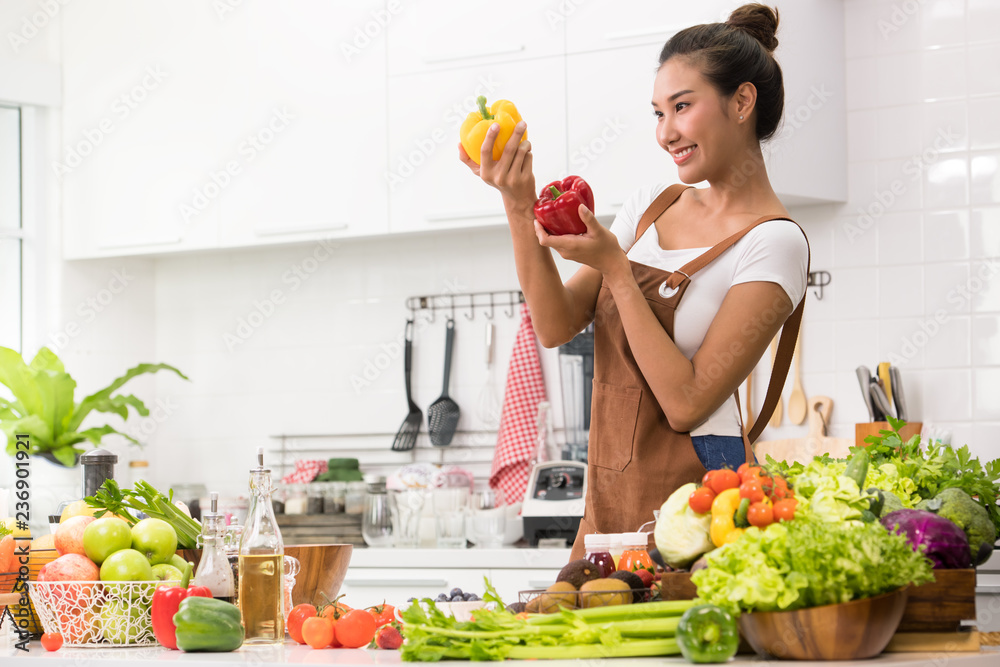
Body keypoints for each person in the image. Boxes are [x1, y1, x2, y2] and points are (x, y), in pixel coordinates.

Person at [460, 3, 809, 559]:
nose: (665, 133)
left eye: (682, 107)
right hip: (609, 497)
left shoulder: (775, 243)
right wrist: (517, 203)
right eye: (656, 113)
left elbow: (688, 404)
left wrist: (618, 271)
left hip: (704, 510)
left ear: (742, 102)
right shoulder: (653, 204)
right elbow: (556, 324)